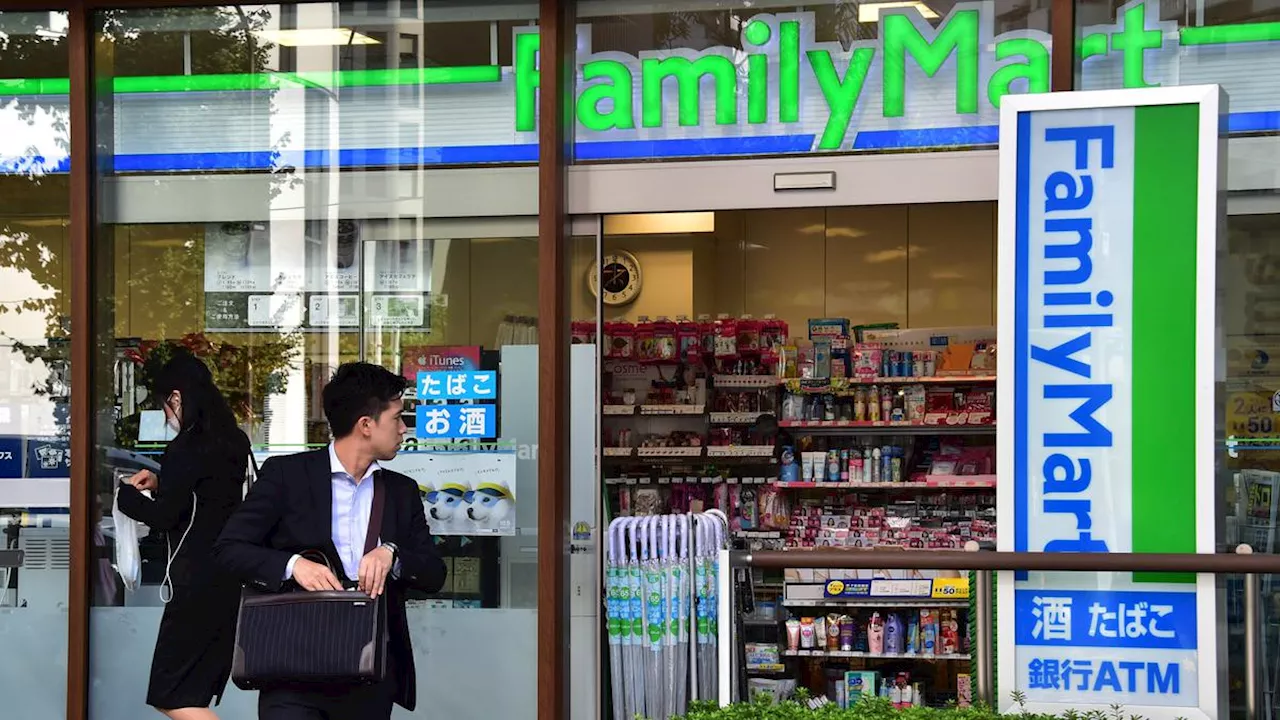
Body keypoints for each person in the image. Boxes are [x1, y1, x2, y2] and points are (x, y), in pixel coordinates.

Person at [214, 361, 446, 720]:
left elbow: (434, 573)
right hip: (291, 668)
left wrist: (392, 555)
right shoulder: (287, 475)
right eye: (398, 417)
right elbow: (229, 550)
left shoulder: (401, 492)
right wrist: (294, 566)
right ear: (366, 425)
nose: (404, 429)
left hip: (368, 672)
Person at [116, 352, 252, 720]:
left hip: (194, 584)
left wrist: (125, 496)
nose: (166, 418)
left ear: (176, 398)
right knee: (193, 693)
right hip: (230, 579)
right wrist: (163, 482)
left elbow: (164, 516)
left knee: (170, 693)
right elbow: (209, 496)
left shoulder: (185, 448)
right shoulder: (234, 442)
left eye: (165, 408)